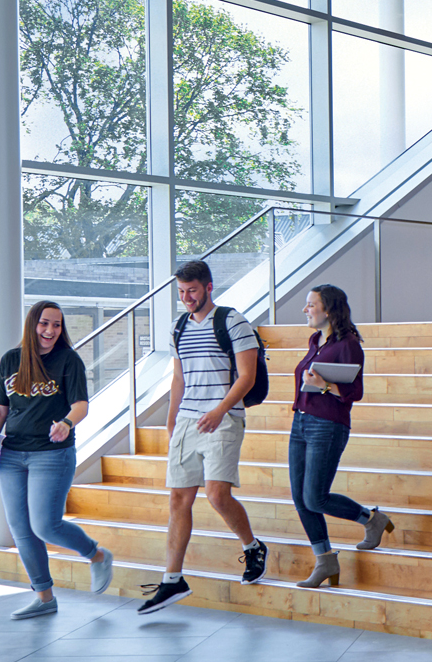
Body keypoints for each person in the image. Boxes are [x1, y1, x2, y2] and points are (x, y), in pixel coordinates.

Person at [137, 261, 267, 614]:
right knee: (178, 500)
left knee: (217, 495)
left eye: (191, 290)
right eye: (181, 292)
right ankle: (172, 579)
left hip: (224, 419)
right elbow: (178, 377)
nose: (186, 298)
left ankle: (252, 546)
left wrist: (220, 410)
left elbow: (248, 376)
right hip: (187, 421)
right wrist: (171, 419)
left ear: (208, 287)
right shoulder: (178, 327)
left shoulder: (233, 322)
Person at [0, 301, 114, 620]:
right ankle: (44, 597)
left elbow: (81, 405)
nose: (50, 331)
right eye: (44, 324)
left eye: (56, 325)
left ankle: (96, 555)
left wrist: (66, 423)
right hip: (12, 455)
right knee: (21, 528)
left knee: (45, 525)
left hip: (52, 454)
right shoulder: (11, 360)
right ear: (32, 324)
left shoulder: (68, 360)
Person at [286, 283, 390, 588]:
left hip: (327, 425)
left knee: (314, 497)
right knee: (301, 499)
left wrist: (322, 385)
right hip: (301, 423)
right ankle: (325, 560)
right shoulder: (315, 339)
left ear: (328, 309)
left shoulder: (349, 345)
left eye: (311, 305)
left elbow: (354, 392)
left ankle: (371, 520)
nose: (306, 310)